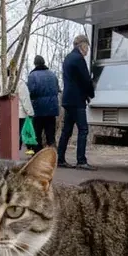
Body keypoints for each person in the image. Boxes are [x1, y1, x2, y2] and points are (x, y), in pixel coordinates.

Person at [57, 34, 96, 170]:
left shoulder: (68, 58)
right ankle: (81, 160)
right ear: (82, 46)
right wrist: (91, 93)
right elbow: (86, 79)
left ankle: (60, 158)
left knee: (66, 131)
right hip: (77, 100)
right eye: (87, 48)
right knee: (83, 130)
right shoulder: (79, 59)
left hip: (68, 99)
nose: (87, 51)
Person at [26, 55, 59, 154]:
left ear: (35, 64)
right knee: (50, 135)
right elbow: (57, 89)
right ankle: (53, 155)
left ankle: (38, 155)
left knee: (37, 133)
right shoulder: (52, 74)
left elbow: (31, 92)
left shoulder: (32, 75)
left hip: (38, 109)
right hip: (52, 109)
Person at [17, 79, 34, 156]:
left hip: (9, 113)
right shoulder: (20, 83)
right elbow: (25, 99)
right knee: (25, 131)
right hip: (20, 113)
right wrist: (30, 112)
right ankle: (29, 149)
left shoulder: (4, 82)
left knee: (14, 134)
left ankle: (12, 153)